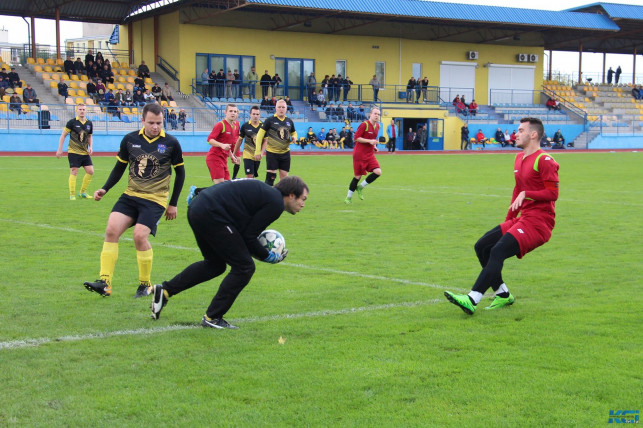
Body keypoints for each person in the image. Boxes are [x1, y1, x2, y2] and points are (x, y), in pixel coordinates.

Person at [150, 176, 308, 329]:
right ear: (291, 195)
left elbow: (244, 233)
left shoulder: (265, 192)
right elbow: (249, 237)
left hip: (199, 208)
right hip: (211, 213)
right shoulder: (275, 203)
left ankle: (165, 291)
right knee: (244, 267)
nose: (303, 204)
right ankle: (213, 318)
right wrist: (268, 256)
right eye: (303, 199)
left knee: (215, 264)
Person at [444, 117, 559, 315]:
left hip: (540, 223)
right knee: (482, 246)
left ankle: (473, 298)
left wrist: (527, 194)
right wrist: (508, 221)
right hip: (524, 219)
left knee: (497, 251)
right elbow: (518, 190)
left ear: (533, 135)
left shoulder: (545, 160)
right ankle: (503, 294)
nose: (516, 133)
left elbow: (553, 193)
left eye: (521, 130)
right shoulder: (519, 158)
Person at [83, 103, 185, 298]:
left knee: (140, 236)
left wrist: (173, 203)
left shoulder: (171, 143)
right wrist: (105, 188)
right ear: (142, 121)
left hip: (155, 199)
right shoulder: (130, 140)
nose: (155, 127)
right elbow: (119, 168)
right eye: (151, 123)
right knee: (111, 230)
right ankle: (104, 283)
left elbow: (180, 174)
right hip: (131, 195)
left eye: (159, 123)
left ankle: (145, 285)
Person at [254, 99, 297, 186]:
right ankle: (267, 198)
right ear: (275, 108)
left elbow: (293, 132)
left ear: (286, 108)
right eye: (279, 107)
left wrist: (294, 137)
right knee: (270, 177)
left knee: (284, 179)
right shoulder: (269, 120)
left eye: (283, 107)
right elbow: (259, 135)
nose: (281, 109)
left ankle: (282, 199)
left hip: (285, 153)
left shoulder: (289, 121)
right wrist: (258, 150)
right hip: (272, 153)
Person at [56, 104, 94, 200]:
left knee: (90, 171)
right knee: (74, 171)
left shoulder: (89, 123)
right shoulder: (71, 122)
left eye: (83, 109)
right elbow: (63, 135)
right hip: (73, 151)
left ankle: (82, 192)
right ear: (76, 111)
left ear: (86, 111)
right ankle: (72, 194)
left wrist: (91, 147)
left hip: (84, 152)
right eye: (80, 109)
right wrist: (60, 149)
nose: (82, 111)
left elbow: (89, 136)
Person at [344, 107, 381, 204]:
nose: (377, 116)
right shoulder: (364, 124)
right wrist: (370, 141)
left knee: (378, 172)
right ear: (370, 114)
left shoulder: (378, 126)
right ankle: (348, 197)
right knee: (357, 176)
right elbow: (356, 138)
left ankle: (360, 187)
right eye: (375, 113)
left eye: (378, 114)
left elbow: (373, 138)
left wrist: (374, 146)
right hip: (359, 154)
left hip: (369, 154)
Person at [205, 104, 240, 184]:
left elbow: (227, 145)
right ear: (225, 112)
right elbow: (210, 140)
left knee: (226, 186)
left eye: (235, 111)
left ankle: (197, 191)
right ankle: (196, 192)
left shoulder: (234, 126)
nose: (233, 113)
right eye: (230, 111)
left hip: (223, 160)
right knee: (220, 186)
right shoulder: (221, 125)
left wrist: (231, 156)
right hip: (215, 158)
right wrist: (221, 145)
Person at [233, 105, 262, 178]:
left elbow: (266, 140)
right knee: (249, 175)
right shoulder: (245, 126)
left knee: (253, 176)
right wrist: (234, 153)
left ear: (259, 115)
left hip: (257, 155)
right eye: (254, 114)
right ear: (250, 114)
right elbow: (239, 140)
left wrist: (261, 152)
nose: (255, 116)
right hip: (247, 154)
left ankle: (250, 189)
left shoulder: (263, 126)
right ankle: (248, 189)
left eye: (257, 114)